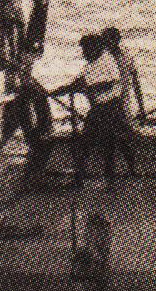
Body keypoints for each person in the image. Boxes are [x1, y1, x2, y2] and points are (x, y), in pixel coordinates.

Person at [51, 33, 124, 191]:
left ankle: (103, 182)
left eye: (85, 49)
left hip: (110, 108)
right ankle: (83, 180)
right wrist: (56, 92)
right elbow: (79, 81)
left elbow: (109, 84)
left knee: (103, 145)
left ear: (94, 47)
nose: (83, 53)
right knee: (89, 144)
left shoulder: (107, 60)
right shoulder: (91, 62)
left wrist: (87, 88)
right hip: (99, 108)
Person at [0, 51, 53, 188]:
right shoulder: (17, 76)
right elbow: (14, 92)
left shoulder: (35, 75)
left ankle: (33, 176)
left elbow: (43, 94)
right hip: (26, 110)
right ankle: (32, 178)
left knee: (40, 142)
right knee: (36, 141)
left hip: (35, 111)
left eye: (30, 61)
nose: (28, 63)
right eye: (25, 62)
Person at [102, 26, 144, 178]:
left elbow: (135, 81)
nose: (107, 44)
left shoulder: (126, 56)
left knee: (124, 137)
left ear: (116, 40)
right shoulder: (103, 59)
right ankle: (115, 172)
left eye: (109, 40)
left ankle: (131, 169)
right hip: (109, 103)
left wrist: (141, 105)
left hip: (124, 102)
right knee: (113, 137)